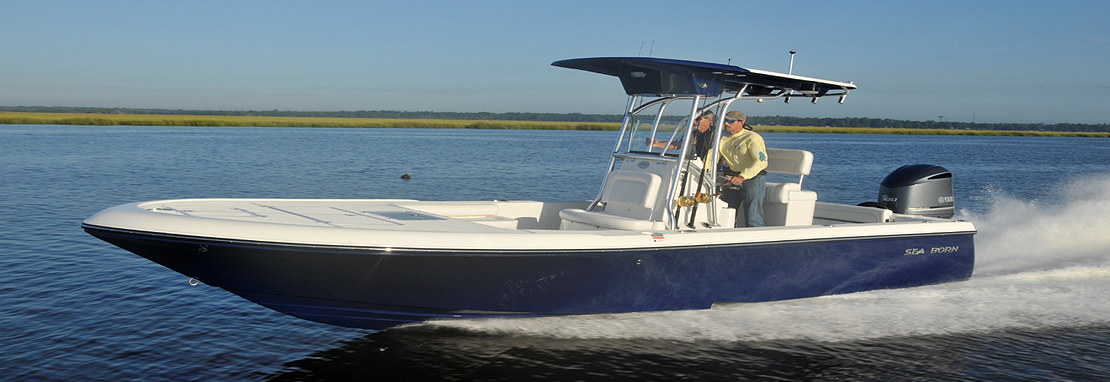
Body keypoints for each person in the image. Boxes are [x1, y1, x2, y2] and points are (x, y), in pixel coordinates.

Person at [717, 111, 768, 227]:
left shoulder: (752, 137)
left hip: (753, 179)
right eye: (725, 120)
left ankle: (757, 241)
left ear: (741, 123)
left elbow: (762, 161)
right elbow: (712, 158)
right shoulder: (723, 138)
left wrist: (742, 176)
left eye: (730, 121)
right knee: (727, 213)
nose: (726, 123)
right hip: (732, 177)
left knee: (753, 217)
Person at [649, 111, 715, 159]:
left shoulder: (717, 134)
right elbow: (677, 144)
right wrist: (657, 144)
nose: (694, 121)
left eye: (698, 119)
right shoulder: (692, 134)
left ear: (709, 120)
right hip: (696, 166)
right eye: (693, 119)